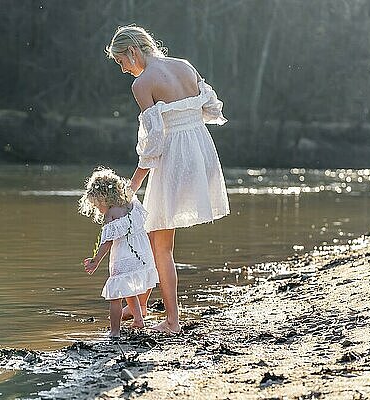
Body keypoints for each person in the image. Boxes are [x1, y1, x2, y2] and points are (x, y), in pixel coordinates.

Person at [105, 25, 230, 334]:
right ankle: (142, 307)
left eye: (122, 62)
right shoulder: (185, 66)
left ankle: (172, 321)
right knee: (150, 234)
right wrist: (186, 122)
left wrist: (131, 186)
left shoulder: (142, 84)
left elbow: (154, 142)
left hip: (174, 157)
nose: (123, 70)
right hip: (200, 153)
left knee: (162, 244)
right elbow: (211, 107)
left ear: (133, 51)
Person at [79, 167, 160, 339]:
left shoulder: (111, 214)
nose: (98, 208)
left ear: (103, 198)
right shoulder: (132, 203)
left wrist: (96, 260)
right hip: (142, 253)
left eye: (97, 204)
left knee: (115, 295)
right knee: (129, 287)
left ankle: (114, 331)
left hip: (124, 256)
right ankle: (138, 320)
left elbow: (106, 242)